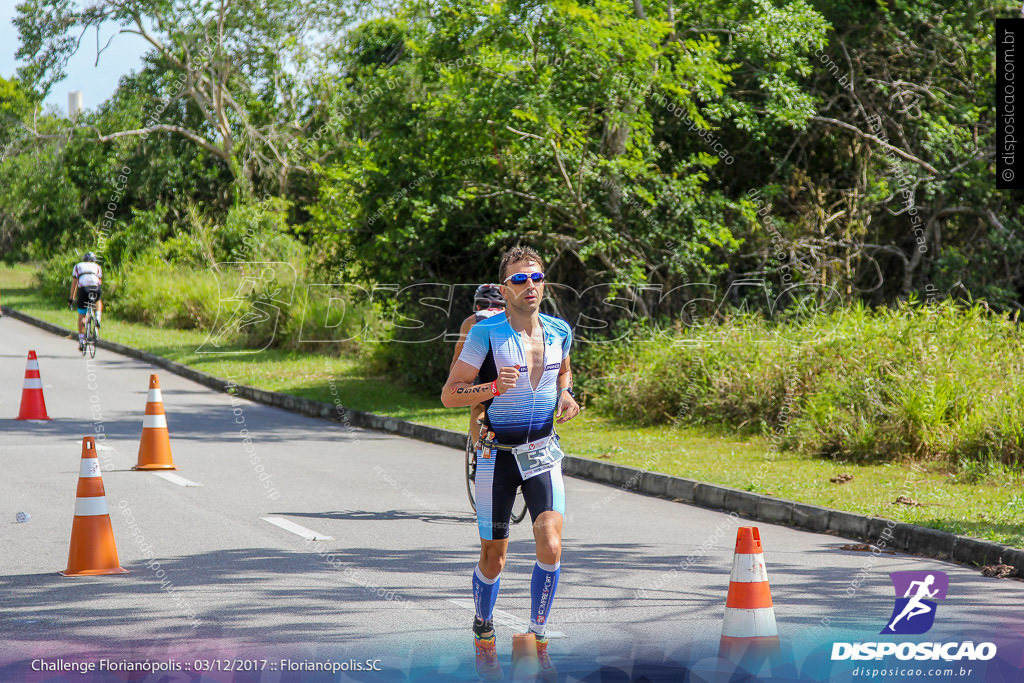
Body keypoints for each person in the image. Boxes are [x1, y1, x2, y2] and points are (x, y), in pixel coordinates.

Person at [442, 246, 581, 682]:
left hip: (541, 450)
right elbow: (450, 394)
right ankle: (484, 630)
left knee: (551, 543)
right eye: (519, 281)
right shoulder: (486, 334)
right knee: (494, 558)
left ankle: (537, 638)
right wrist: (491, 388)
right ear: (505, 289)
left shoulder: (560, 330)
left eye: (536, 278)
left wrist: (566, 394)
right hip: (497, 457)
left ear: (545, 284)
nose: (529, 287)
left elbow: (564, 372)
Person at [449, 283, 506, 440]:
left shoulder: (472, 320)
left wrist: (454, 382)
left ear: (478, 304)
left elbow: (459, 354)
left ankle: (478, 455)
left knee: (477, 407)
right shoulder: (513, 317)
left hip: (484, 372)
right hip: (511, 371)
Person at [69, 252, 103, 351]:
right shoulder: (97, 266)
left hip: (83, 289)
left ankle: (81, 340)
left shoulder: (78, 266)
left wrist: (71, 298)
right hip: (95, 288)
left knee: (81, 316)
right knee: (98, 300)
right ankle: (97, 316)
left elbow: (74, 284)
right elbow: (99, 281)